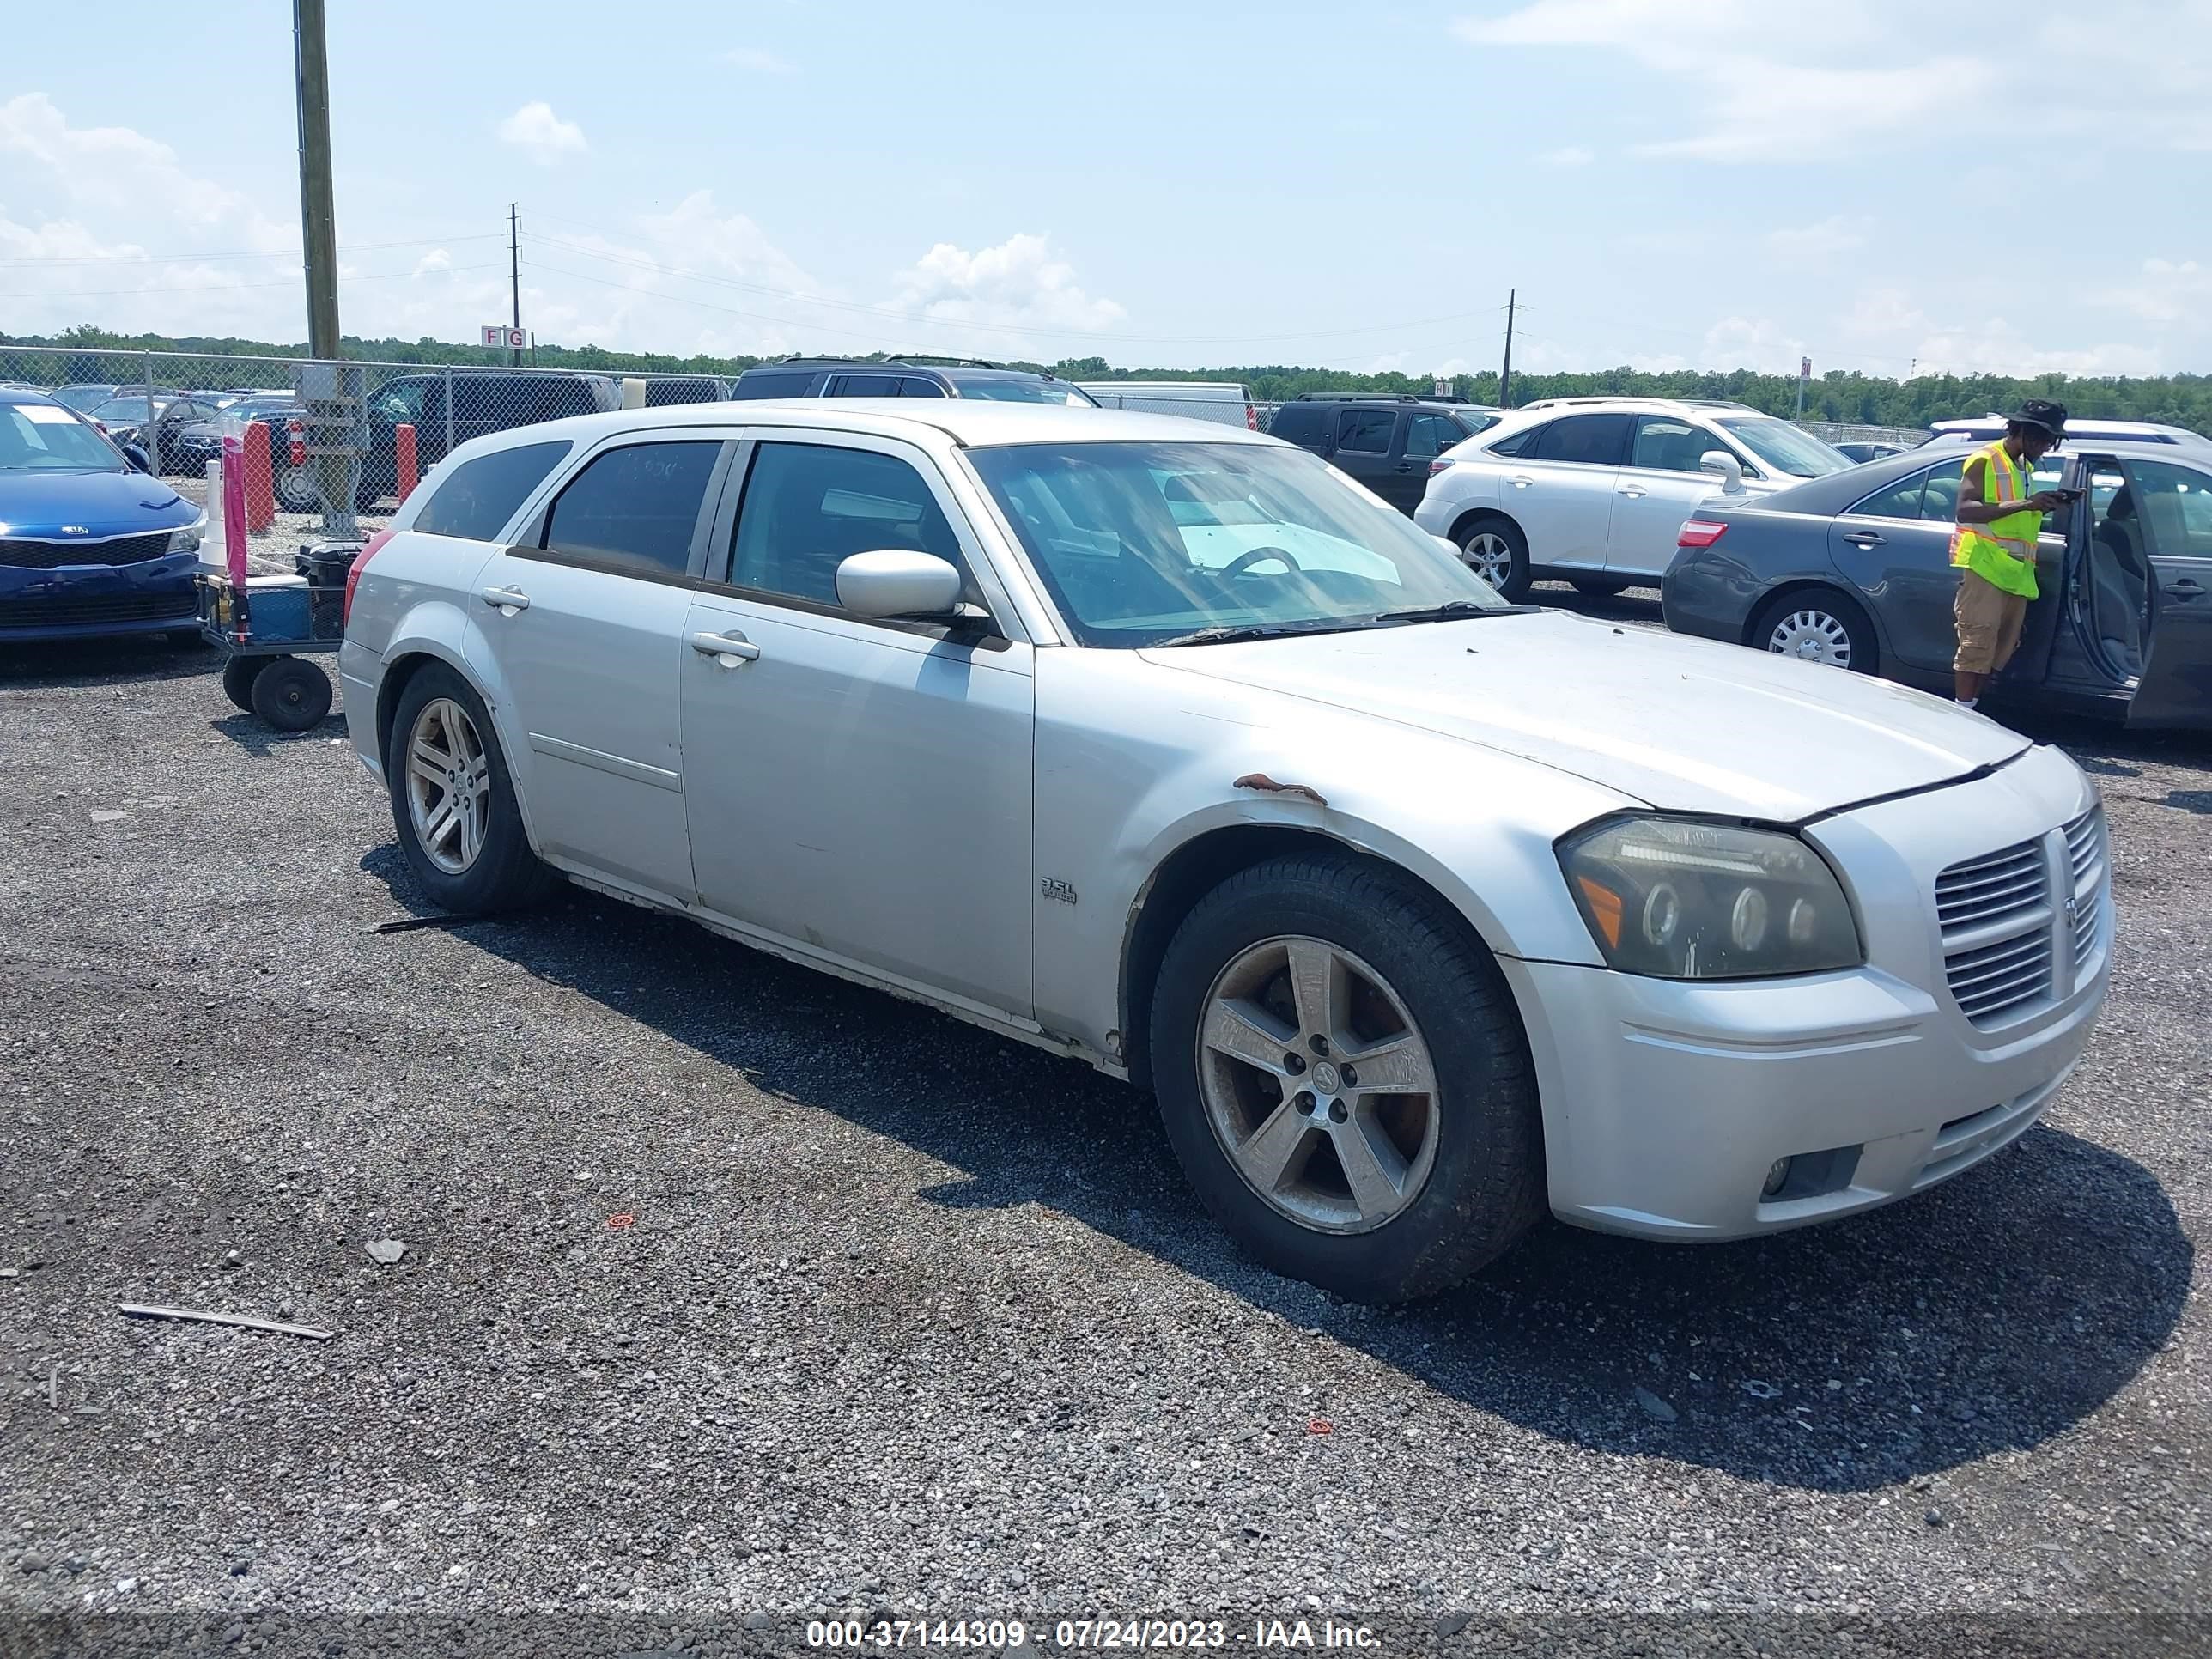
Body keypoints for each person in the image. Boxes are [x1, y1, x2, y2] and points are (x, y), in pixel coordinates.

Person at [1949, 399, 2070, 708]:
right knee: (1976, 645)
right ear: (2023, 433)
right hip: (1984, 565)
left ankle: (1972, 709)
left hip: (2012, 573)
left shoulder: (2023, 467)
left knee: (1997, 651)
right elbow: (1965, 510)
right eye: (2043, 440)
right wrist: (2029, 504)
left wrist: (2044, 504)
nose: (2046, 447)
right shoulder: (1985, 459)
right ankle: (1962, 713)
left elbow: (2015, 518)